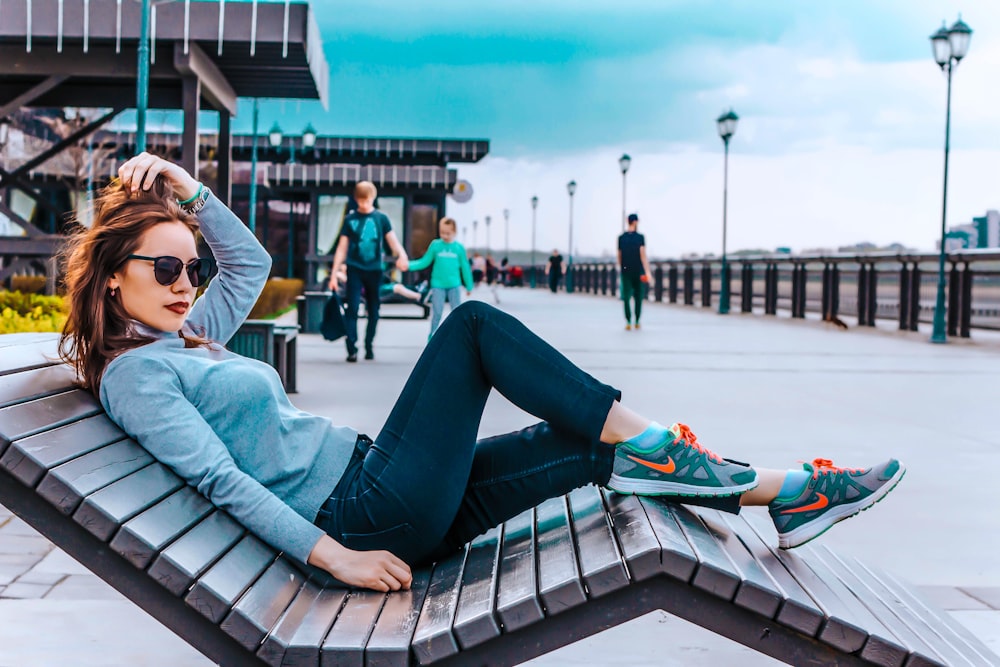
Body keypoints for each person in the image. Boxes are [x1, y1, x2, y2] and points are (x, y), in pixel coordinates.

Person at [58, 154, 906, 593]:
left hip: (379, 486)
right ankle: (653, 437)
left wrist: (186, 194)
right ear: (112, 273)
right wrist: (336, 558)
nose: (187, 285)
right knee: (469, 330)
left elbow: (242, 264)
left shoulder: (184, 337)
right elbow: (217, 483)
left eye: (186, 270)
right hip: (359, 513)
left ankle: (789, 493)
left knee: (584, 446)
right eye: (165, 270)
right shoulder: (136, 375)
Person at [328, 181, 409, 362]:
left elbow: (393, 241)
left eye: (367, 200)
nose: (364, 204)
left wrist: (402, 255)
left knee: (374, 310)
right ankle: (352, 348)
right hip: (355, 269)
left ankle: (369, 344)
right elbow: (342, 248)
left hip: (374, 271)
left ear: (373, 198)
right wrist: (334, 275)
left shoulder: (381, 218)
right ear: (356, 199)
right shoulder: (350, 220)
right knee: (353, 308)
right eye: (360, 201)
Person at [406, 217, 474, 338]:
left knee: (457, 313)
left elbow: (465, 267)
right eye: (442, 232)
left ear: (454, 232)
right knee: (437, 313)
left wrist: (469, 286)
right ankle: (432, 337)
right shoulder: (435, 245)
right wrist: (408, 265)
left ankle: (459, 338)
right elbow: (425, 261)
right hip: (438, 285)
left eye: (448, 233)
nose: (444, 235)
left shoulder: (459, 248)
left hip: (454, 285)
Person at [618, 213, 653, 330]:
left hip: (626, 271)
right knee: (639, 297)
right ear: (635, 222)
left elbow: (619, 256)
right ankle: (637, 320)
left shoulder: (621, 238)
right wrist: (647, 272)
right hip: (639, 271)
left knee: (626, 297)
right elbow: (643, 255)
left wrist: (621, 269)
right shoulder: (640, 237)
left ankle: (628, 321)